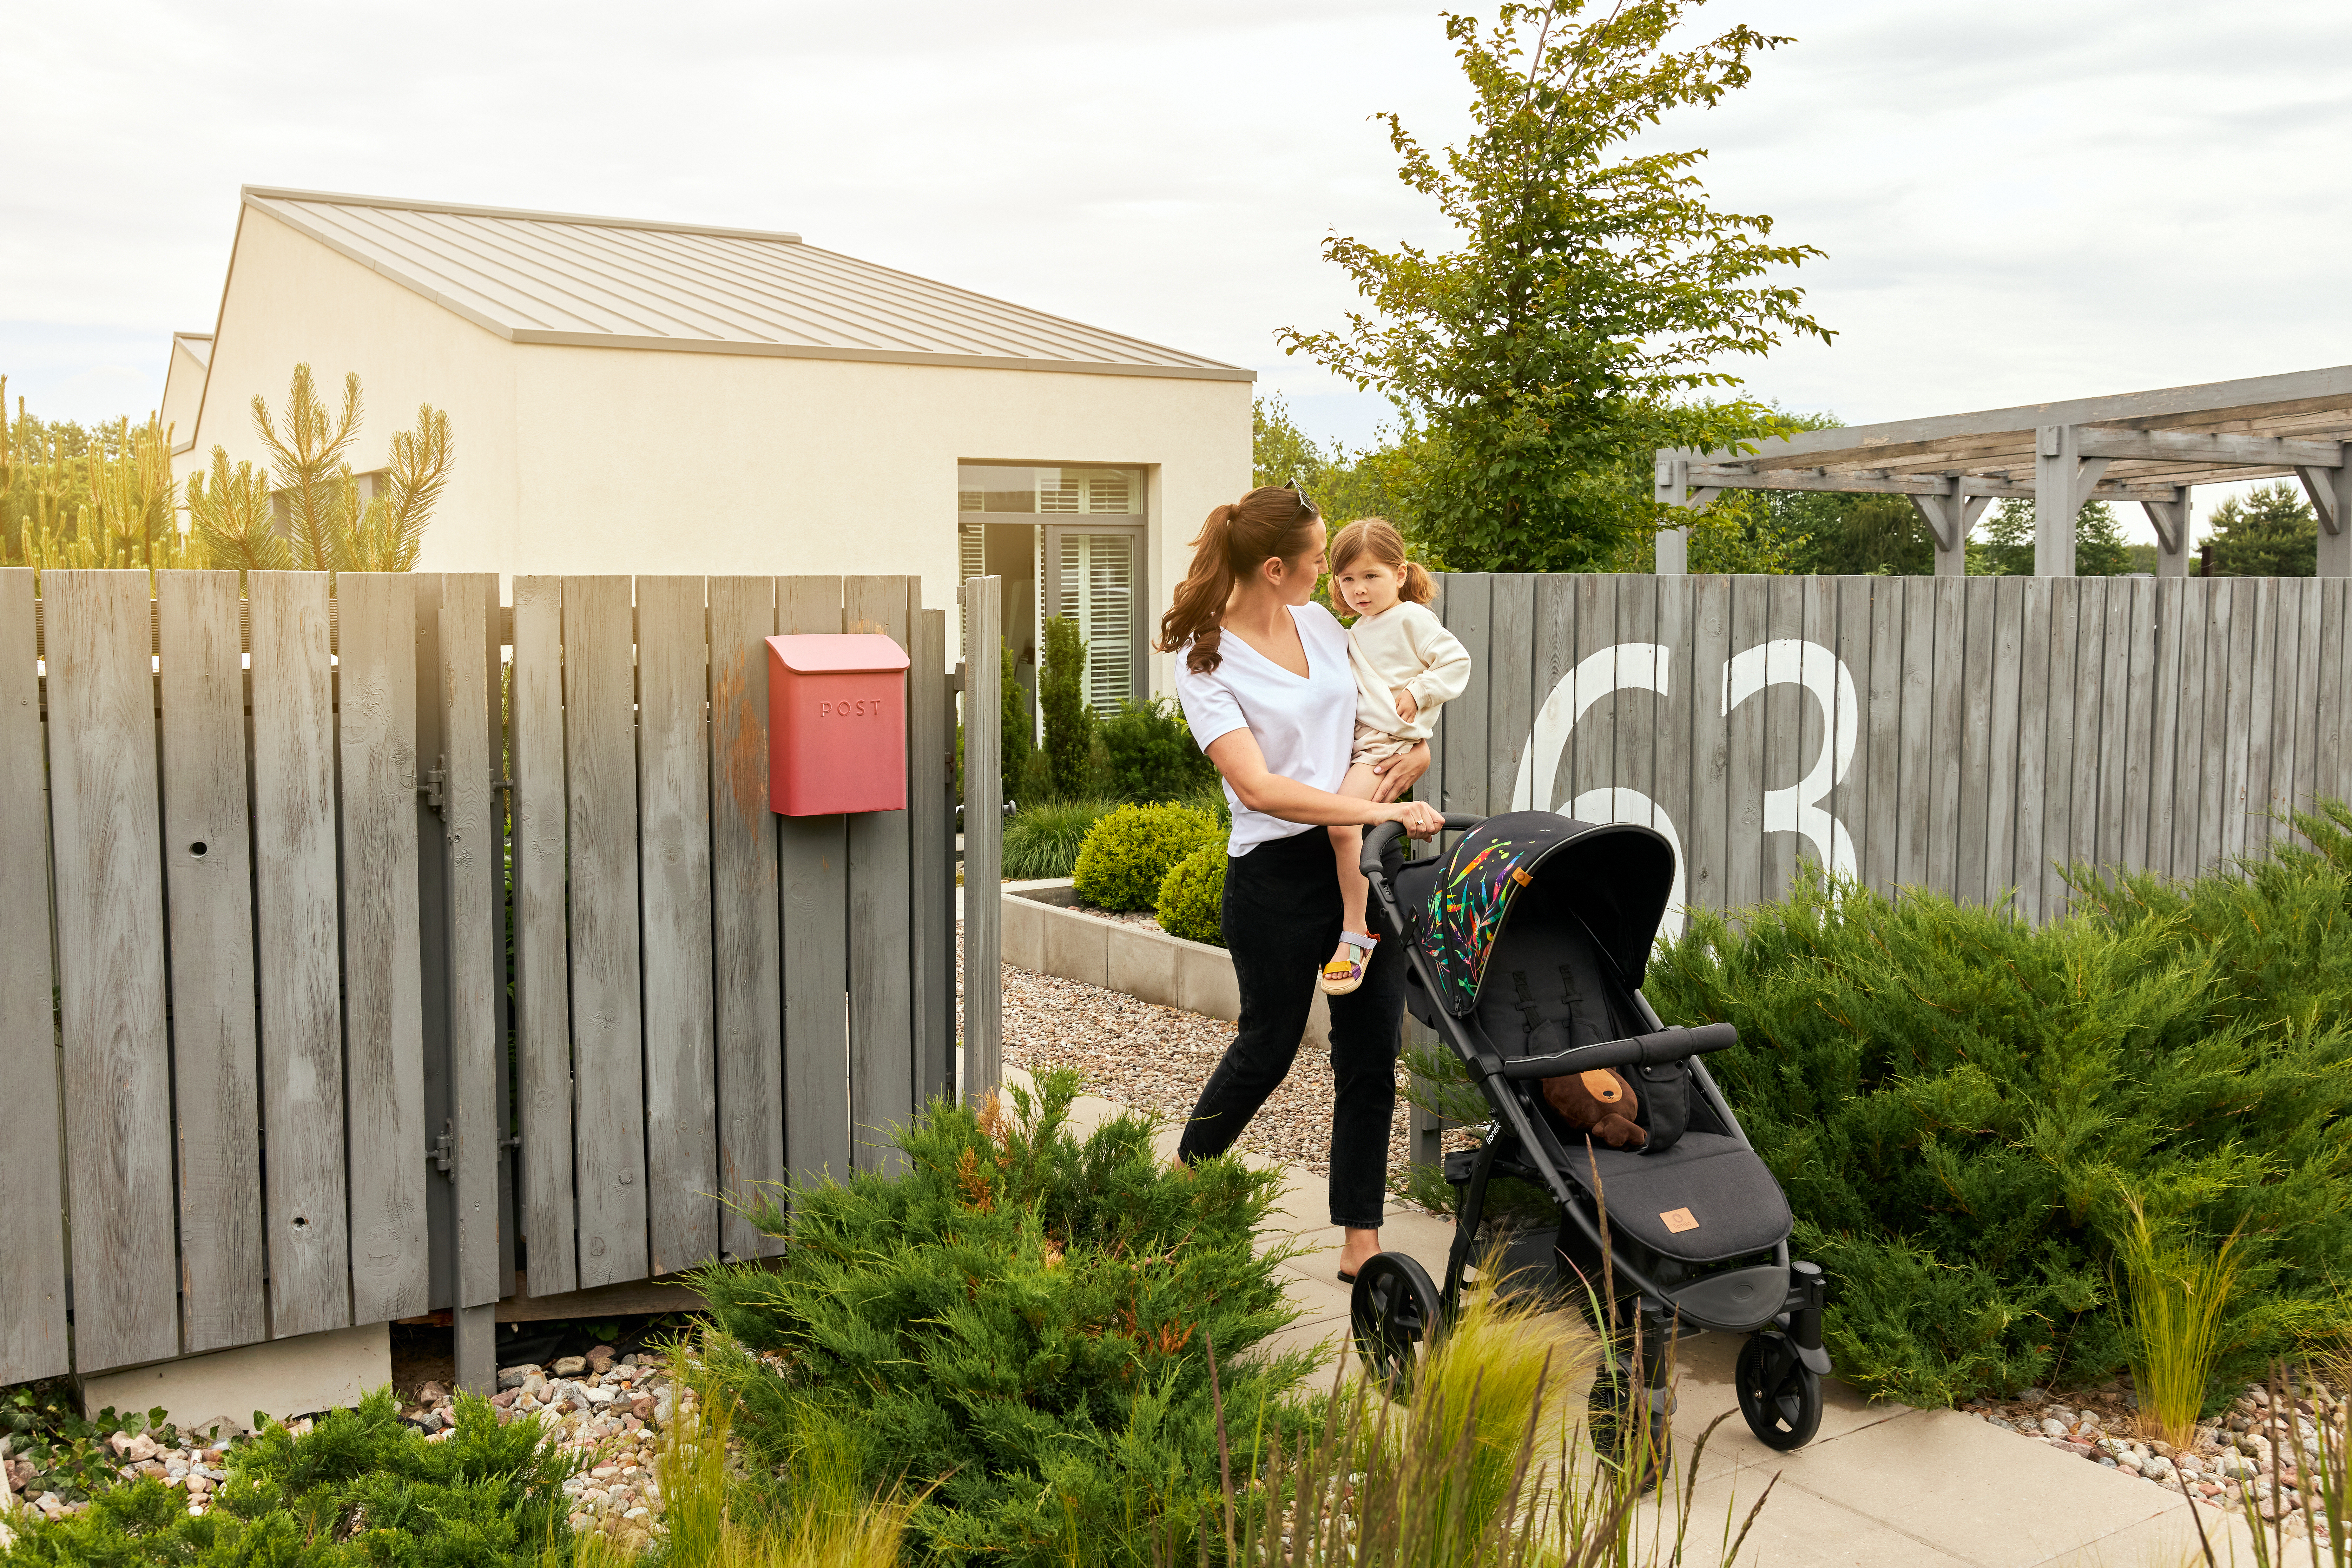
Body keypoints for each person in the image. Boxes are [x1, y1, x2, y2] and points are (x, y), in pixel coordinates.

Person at [1160, 482, 1444, 1283]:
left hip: (1362, 862)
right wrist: (1354, 803)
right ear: (1276, 567)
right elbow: (1256, 787)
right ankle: (1180, 1182)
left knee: (1369, 1052)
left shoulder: (1324, 626)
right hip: (1276, 876)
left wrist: (1410, 753)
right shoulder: (1206, 659)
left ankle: (1360, 1233)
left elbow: (1380, 717)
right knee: (1267, 1046)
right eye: (1321, 561)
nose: (1333, 575)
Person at [1317, 518, 1470, 997]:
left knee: (1342, 826)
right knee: (1342, 824)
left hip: (1383, 746)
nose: (1358, 589)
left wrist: (1419, 692)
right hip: (1365, 741)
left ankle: (1357, 931)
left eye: (1370, 576)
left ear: (1400, 574)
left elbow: (1456, 660)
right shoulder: (1360, 627)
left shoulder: (1411, 619)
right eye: (1347, 579)